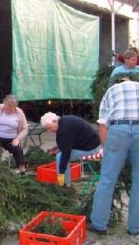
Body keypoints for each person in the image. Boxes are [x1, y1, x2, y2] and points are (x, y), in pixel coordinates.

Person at [89, 75, 139, 236]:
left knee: (107, 180)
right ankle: (135, 228)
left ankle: (99, 225)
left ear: (119, 82)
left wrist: (105, 148)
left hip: (118, 131)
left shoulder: (111, 91)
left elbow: (103, 123)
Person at [40, 113, 102, 187]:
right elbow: (69, 139)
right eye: (47, 129)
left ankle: (64, 185)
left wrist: (61, 173)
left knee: (60, 157)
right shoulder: (64, 121)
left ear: (54, 121)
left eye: (49, 128)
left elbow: (66, 154)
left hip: (91, 148)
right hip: (90, 143)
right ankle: (65, 183)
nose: (49, 131)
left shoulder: (64, 130)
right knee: (61, 155)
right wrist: (59, 147)